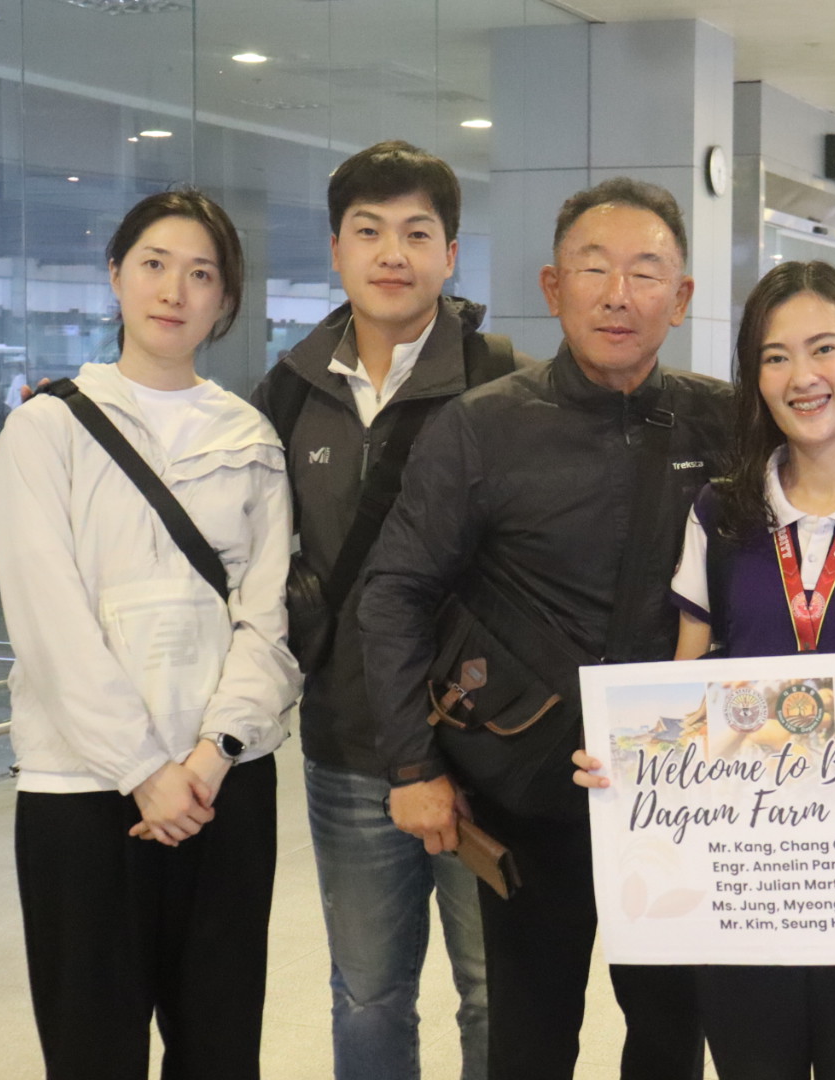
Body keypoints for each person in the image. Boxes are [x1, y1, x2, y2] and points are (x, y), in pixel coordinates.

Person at [572, 260, 835, 1078]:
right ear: (755, 378)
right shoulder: (720, 517)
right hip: (747, 885)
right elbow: (684, 694)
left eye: (823, 348)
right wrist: (629, 760)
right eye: (775, 357)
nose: (803, 376)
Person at [358, 177, 731, 1080]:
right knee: (526, 1038)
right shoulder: (482, 429)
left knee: (672, 1037)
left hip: (678, 794)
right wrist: (411, 765)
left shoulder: (727, 423)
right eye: (593, 269)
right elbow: (394, 591)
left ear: (682, 298)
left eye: (646, 273)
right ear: (553, 287)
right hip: (528, 788)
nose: (618, 295)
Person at [0, 188, 301, 1079]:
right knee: (93, 1049)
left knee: (220, 1049)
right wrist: (142, 770)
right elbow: (49, 626)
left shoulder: (250, 437)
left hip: (224, 786)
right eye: (155, 264)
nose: (174, 291)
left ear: (224, 298)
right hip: (82, 789)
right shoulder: (45, 429)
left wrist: (212, 754)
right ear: (116, 274)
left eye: (201, 274)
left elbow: (268, 619)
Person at [250, 139, 514, 1080]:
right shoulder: (291, 392)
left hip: (489, 745)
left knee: (497, 993)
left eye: (416, 232)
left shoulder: (503, 384)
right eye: (369, 232)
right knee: (367, 993)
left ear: (451, 253)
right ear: (336, 250)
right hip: (351, 744)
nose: (392, 253)